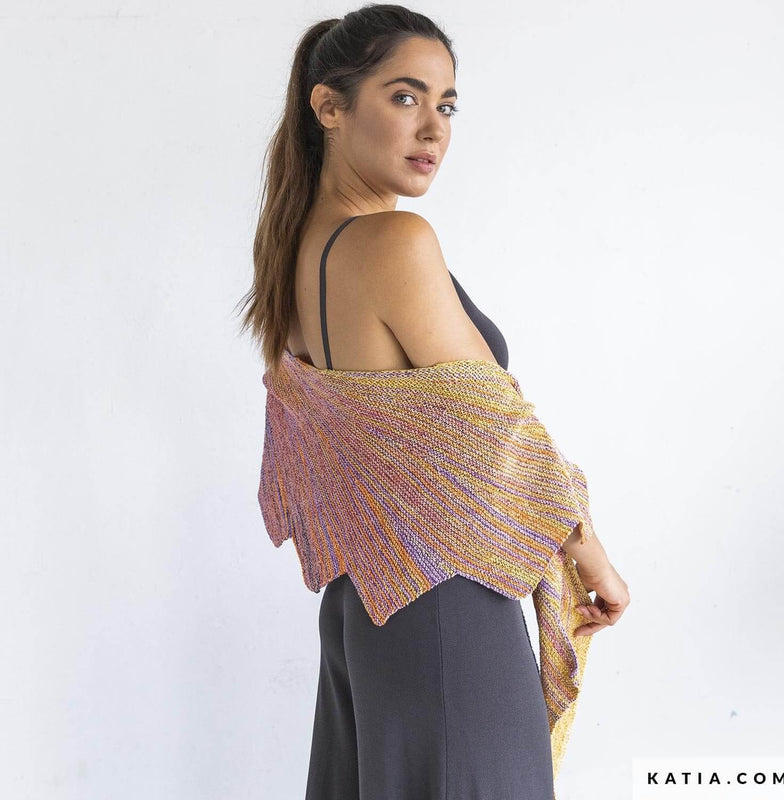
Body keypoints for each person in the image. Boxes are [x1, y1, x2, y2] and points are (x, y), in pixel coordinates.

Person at [237, 5, 630, 799]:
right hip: (446, 604)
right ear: (329, 106)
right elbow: (503, 434)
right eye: (405, 97)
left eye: (446, 104)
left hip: (365, 607)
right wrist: (592, 557)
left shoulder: (297, 251)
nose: (433, 129)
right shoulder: (395, 242)